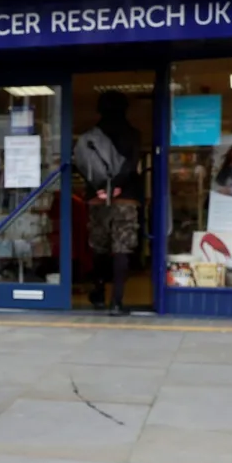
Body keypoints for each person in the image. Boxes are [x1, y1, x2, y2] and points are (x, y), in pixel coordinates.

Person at [73, 91, 143, 316]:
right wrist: (117, 186)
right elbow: (131, 165)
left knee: (99, 247)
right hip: (125, 197)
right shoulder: (132, 134)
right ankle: (117, 302)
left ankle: (99, 292)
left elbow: (83, 166)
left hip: (97, 197)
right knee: (122, 248)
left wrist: (101, 188)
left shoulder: (90, 136)